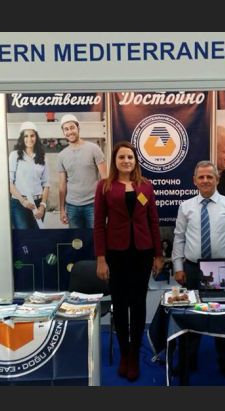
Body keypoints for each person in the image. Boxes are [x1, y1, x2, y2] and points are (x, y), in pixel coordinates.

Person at [94, 141, 164, 381]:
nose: (126, 161)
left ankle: (134, 353)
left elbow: (153, 221)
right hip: (116, 253)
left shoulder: (146, 186)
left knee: (138, 303)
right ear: (115, 161)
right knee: (120, 304)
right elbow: (98, 225)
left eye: (130, 157)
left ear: (135, 161)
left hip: (142, 253)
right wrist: (101, 259)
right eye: (122, 157)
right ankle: (124, 352)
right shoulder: (104, 186)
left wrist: (158, 255)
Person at [172, 160, 225, 381]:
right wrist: (178, 267)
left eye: (210, 177)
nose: (205, 180)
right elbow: (179, 238)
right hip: (193, 269)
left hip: (223, 271)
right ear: (194, 180)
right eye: (201, 177)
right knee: (191, 317)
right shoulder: (186, 206)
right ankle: (188, 361)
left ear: (217, 179)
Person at [57, 114, 107, 228]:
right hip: (72, 207)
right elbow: (62, 185)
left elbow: (105, 179)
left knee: (96, 237)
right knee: (76, 238)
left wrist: (105, 204)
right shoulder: (61, 156)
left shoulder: (94, 149)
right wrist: (62, 209)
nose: (70, 132)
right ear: (63, 132)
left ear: (78, 128)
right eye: (66, 129)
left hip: (93, 205)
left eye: (72, 127)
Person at [8, 121, 50, 229]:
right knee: (24, 236)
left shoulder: (43, 157)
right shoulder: (14, 155)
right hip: (19, 203)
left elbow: (46, 184)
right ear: (22, 138)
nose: (29, 139)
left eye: (32, 135)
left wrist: (42, 206)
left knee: (37, 236)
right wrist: (23, 201)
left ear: (36, 137)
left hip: (38, 203)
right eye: (26, 136)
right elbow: (9, 183)